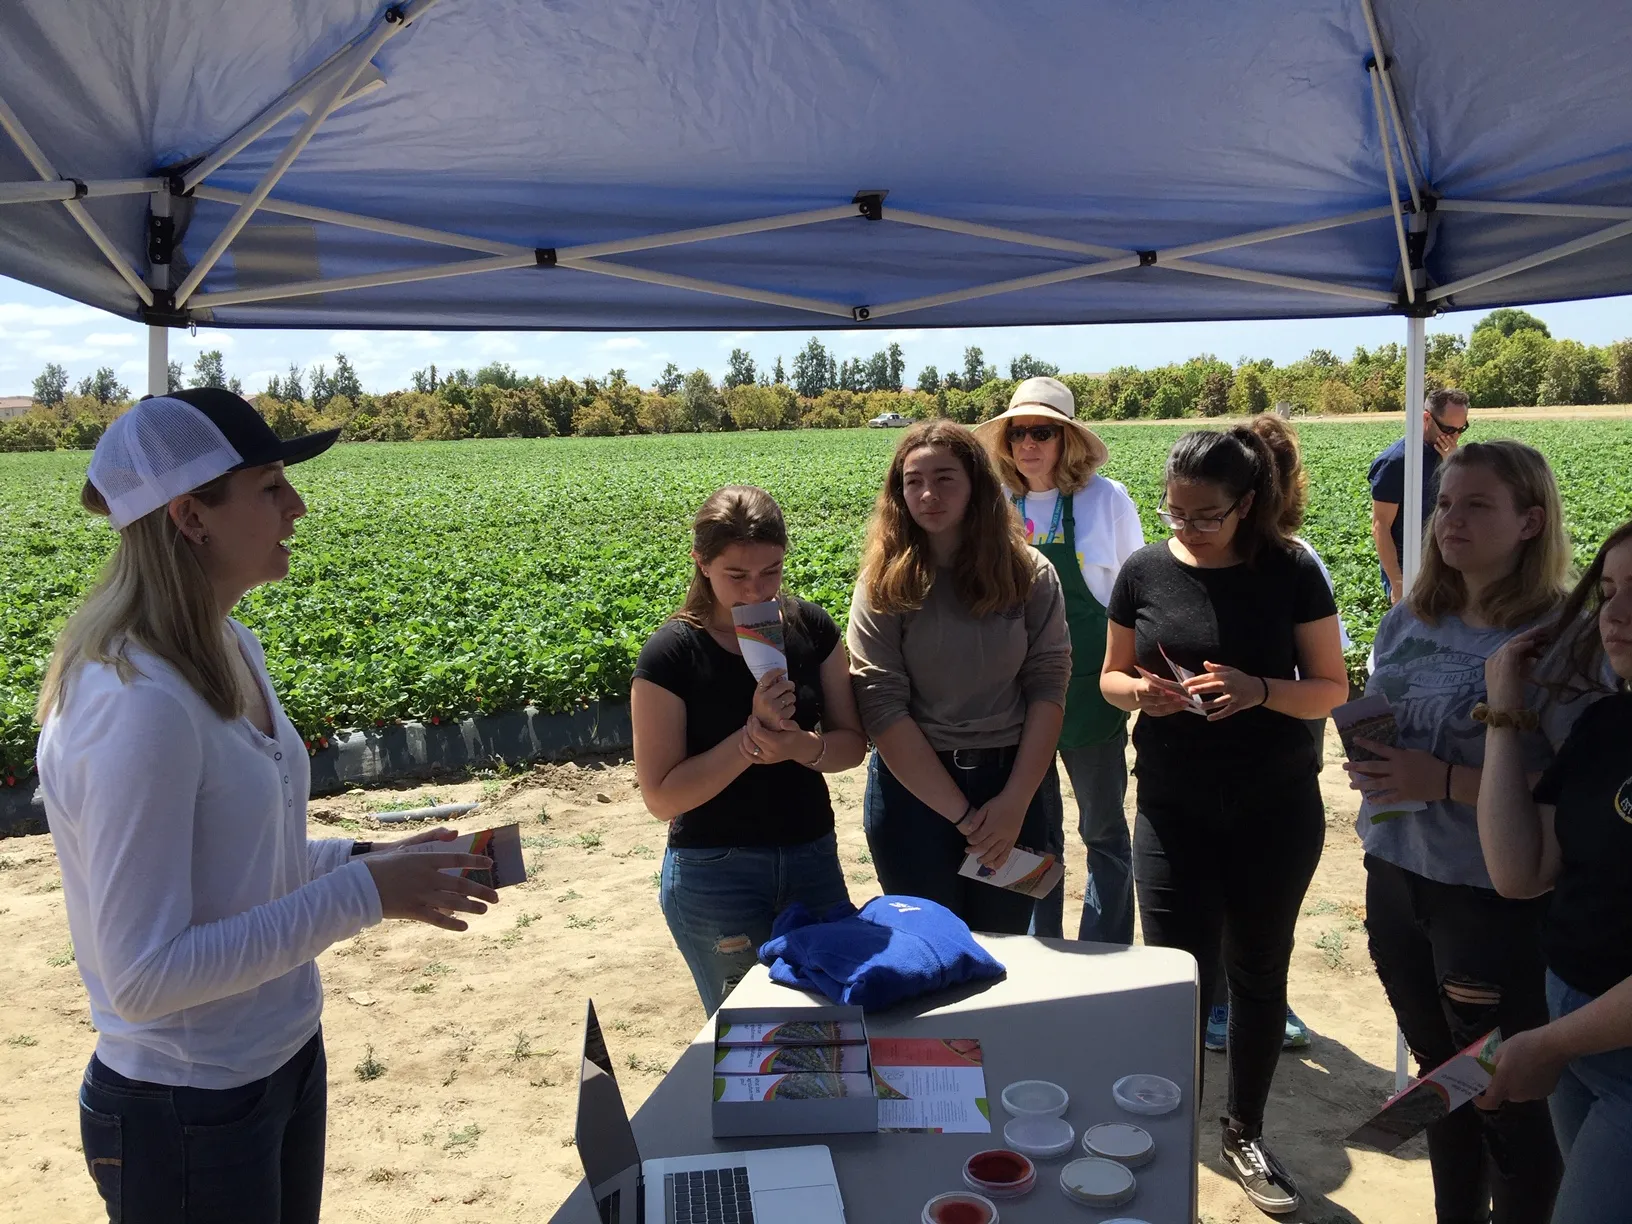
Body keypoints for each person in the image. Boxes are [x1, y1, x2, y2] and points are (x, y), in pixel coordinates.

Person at [34, 390, 499, 1224]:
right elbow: (143, 977)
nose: (298, 506)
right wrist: (364, 895)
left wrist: (368, 860)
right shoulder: (138, 704)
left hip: (278, 1063)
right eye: (271, 486)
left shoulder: (227, 643)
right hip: (187, 1108)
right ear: (191, 518)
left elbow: (239, 860)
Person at [1101, 426, 1348, 1216]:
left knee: (1257, 973)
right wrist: (1141, 694)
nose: (1189, 527)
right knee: (1178, 979)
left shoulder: (1290, 570)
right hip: (1171, 807)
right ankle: (1170, 1133)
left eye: (1206, 515)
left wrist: (1259, 689)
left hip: (1273, 807)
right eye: (1175, 512)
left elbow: (1331, 688)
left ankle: (1244, 1132)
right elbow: (1109, 676)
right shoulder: (1142, 571)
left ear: (1247, 503)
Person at [1347, 440, 1580, 1224]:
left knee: (1501, 1094)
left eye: (1477, 505)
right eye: (1446, 503)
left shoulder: (1560, 642)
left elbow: (1577, 798)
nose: (1450, 519)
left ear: (1530, 522)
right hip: (1397, 876)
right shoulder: (1407, 619)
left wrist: (1442, 780)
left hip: (1489, 900)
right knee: (1441, 1077)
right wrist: (1379, 764)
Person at [632, 486, 867, 1014]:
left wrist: (800, 746)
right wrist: (750, 741)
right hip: (715, 871)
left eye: (771, 571)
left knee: (832, 1020)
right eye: (736, 575)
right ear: (701, 563)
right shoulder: (672, 653)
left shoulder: (812, 629)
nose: (756, 589)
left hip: (811, 855)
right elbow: (662, 798)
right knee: (750, 1032)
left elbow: (852, 745)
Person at [848, 420, 1070, 935]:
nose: (928, 494)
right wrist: (966, 819)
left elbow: (1048, 686)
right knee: (930, 947)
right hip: (913, 795)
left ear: (976, 485)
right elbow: (881, 705)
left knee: (1005, 947)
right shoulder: (883, 583)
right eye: (913, 481)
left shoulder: (1030, 574)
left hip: (1014, 784)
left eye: (945, 479)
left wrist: (1013, 805)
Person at [1475, 520, 1632, 1223]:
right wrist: (1504, 711)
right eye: (1609, 591)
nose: (1616, 614)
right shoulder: (1607, 725)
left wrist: (1552, 1043)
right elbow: (1521, 870)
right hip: (1573, 1028)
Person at [1198, 415, 1357, 1053]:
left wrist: (1263, 690)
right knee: (1225, 886)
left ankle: (1254, 997)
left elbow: (1328, 675)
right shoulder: (1191, 557)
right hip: (1224, 756)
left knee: (1264, 891)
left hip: (1280, 745)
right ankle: (1225, 999)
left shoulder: (1296, 563)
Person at [975, 376, 1143, 944]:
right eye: (1018, 432)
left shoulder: (1106, 500)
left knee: (1103, 830)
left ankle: (1105, 945)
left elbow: (1135, 593)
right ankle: (1038, 947)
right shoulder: (993, 504)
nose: (1028, 443)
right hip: (1015, 696)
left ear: (1066, 440)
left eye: (1042, 432)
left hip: (1090, 692)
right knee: (1029, 831)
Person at [1370, 387, 1470, 604]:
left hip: (1445, 565)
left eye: (1462, 429)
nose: (1455, 437)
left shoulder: (1451, 456)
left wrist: (1453, 465)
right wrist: (1397, 582)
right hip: (1410, 570)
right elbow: (1380, 526)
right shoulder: (1396, 462)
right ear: (1426, 418)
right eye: (1448, 429)